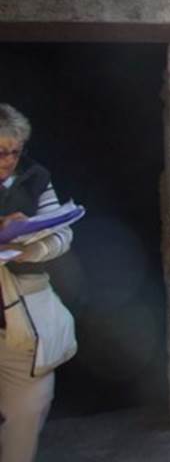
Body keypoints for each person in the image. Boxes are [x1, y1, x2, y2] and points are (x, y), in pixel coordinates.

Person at [0, 104, 76, 462]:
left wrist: (28, 249)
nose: (9, 160)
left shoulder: (36, 177)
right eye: (1, 151)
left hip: (22, 321)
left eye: (16, 151)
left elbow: (61, 234)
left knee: (29, 412)